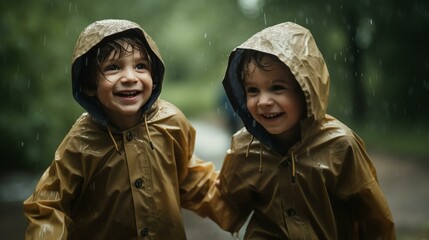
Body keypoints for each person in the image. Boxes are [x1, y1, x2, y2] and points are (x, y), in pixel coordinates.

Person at [23, 19, 235, 240]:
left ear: (154, 78)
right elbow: (48, 204)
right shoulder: (80, 141)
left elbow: (189, 176)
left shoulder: (171, 122)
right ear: (88, 85)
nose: (130, 78)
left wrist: (233, 206)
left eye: (141, 66)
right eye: (113, 67)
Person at [217, 22, 396, 239]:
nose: (263, 101)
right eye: (253, 90)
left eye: (277, 88)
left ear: (306, 91)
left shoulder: (339, 145)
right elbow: (228, 205)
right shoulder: (244, 149)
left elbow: (374, 217)